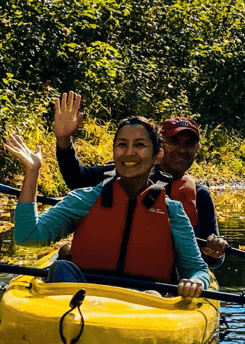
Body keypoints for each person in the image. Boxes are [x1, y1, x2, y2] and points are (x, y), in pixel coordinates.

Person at [5, 117, 211, 298]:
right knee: (61, 267)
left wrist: (196, 282)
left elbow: (197, 269)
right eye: (122, 145)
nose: (129, 153)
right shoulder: (86, 199)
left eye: (139, 145)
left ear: (158, 155)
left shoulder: (172, 211)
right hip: (79, 299)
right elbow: (27, 236)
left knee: (154, 294)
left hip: (146, 302)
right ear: (114, 152)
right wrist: (32, 172)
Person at [52, 91, 228, 266]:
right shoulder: (123, 171)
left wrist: (214, 252)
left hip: (162, 284)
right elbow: (76, 180)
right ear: (159, 146)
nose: (182, 150)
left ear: (196, 150)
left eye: (189, 144)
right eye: (174, 142)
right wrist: (64, 140)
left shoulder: (201, 195)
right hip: (101, 270)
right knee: (66, 252)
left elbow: (209, 260)